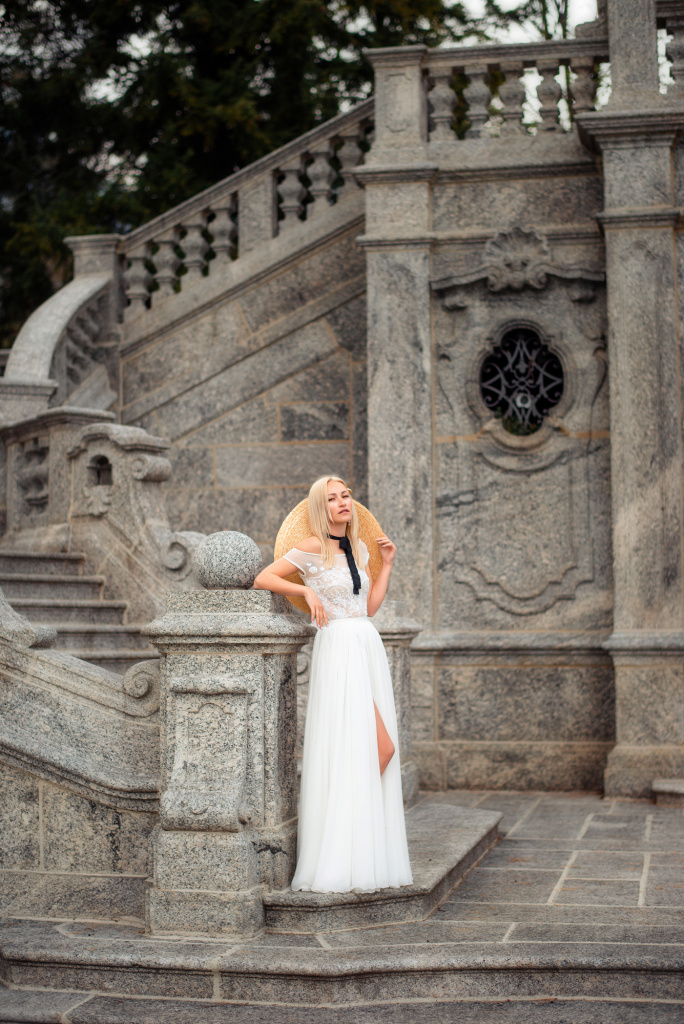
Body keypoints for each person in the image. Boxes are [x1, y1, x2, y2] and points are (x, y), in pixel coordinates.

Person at [253, 475, 413, 893]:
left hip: (365, 643)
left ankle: (359, 844)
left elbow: (369, 606)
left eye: (346, 495)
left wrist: (387, 565)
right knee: (367, 747)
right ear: (319, 508)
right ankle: (341, 850)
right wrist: (307, 593)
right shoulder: (311, 548)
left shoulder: (359, 548)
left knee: (377, 749)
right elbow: (264, 578)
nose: (342, 502)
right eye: (332, 498)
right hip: (339, 647)